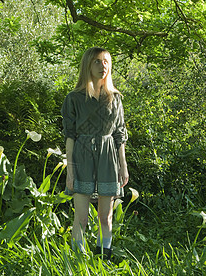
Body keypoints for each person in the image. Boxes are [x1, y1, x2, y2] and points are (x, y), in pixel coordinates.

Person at [61, 47, 129, 260]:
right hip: (82, 157)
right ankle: (78, 262)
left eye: (106, 61)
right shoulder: (74, 98)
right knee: (81, 218)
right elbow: (69, 135)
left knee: (105, 218)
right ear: (87, 66)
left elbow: (119, 134)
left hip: (108, 158)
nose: (103, 66)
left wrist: (123, 165)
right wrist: (70, 169)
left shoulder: (115, 98)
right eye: (97, 62)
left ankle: (103, 261)